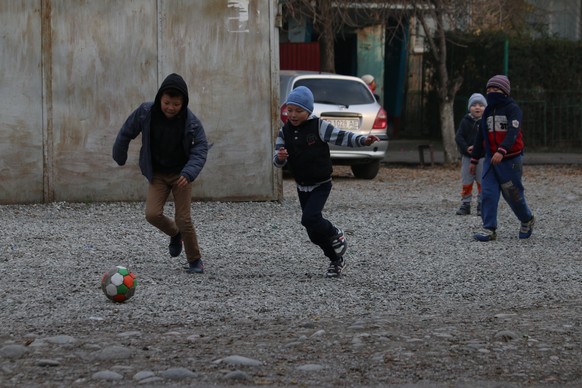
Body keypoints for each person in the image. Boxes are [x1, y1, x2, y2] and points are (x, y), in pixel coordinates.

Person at [273, 86, 380, 278]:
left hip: (321, 183)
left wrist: (363, 141)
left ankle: (335, 232)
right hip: (302, 185)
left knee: (309, 218)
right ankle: (336, 260)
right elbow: (277, 161)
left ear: (309, 111)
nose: (293, 115)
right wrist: (280, 157)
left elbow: (343, 137)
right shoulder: (284, 132)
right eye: (290, 110)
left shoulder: (319, 126)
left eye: (299, 111)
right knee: (313, 233)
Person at [113, 73, 209, 273]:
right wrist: (119, 154)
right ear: (160, 99)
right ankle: (175, 234)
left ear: (183, 103)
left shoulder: (191, 122)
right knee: (152, 214)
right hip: (158, 174)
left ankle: (195, 261)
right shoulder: (146, 112)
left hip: (181, 176)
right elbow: (126, 132)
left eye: (176, 104)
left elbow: (200, 148)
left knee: (184, 219)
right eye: (167, 102)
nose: (171, 108)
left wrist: (189, 172)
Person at [470, 75, 534, 241]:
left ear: (505, 92)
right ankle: (489, 228)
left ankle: (526, 219)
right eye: (489, 90)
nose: (491, 92)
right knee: (488, 193)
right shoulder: (487, 112)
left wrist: (502, 150)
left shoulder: (513, 109)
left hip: (510, 160)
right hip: (491, 160)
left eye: (496, 89)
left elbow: (513, 132)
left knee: (513, 194)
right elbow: (480, 137)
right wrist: (474, 159)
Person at [454, 93, 486, 216]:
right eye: (474, 105)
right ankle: (465, 204)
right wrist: (466, 148)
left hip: (482, 157)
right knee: (467, 181)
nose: (477, 107)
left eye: (481, 105)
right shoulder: (465, 121)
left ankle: (481, 204)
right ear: (469, 108)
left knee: (482, 181)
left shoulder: (486, 122)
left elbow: (488, 139)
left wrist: (479, 147)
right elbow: (459, 136)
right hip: (468, 157)